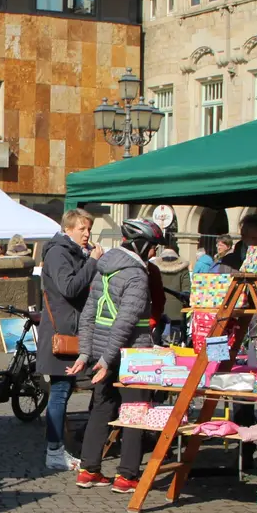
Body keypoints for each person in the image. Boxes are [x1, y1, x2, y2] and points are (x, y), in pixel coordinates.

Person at [69, 219, 166, 493]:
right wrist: (105, 359)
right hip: (131, 352)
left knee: (102, 407)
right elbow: (125, 322)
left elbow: (88, 315)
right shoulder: (136, 274)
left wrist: (89, 353)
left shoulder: (104, 269)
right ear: (142, 245)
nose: (154, 254)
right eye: (152, 248)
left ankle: (88, 470)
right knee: (134, 412)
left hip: (103, 351)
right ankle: (127, 476)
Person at [35, 209, 101, 471]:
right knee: (60, 393)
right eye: (82, 229)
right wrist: (92, 261)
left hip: (70, 330)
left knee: (64, 391)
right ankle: (54, 451)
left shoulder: (72, 252)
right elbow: (70, 288)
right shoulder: (59, 253)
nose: (87, 234)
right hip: (61, 334)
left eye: (89, 229)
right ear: (69, 228)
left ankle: (57, 448)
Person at [154, 244, 191, 346]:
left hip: (160, 304)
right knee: (175, 333)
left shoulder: (156, 268)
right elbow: (186, 289)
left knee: (158, 331)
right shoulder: (183, 269)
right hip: (177, 305)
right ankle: (175, 346)